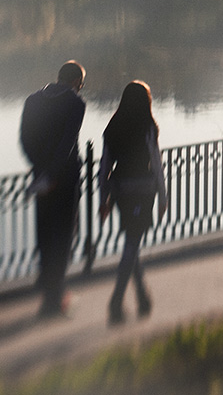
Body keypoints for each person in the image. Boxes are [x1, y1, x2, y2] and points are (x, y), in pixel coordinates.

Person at [19, 60, 86, 317]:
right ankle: (53, 302)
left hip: (40, 179)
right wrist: (55, 173)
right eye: (81, 84)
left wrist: (41, 170)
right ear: (76, 83)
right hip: (64, 178)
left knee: (45, 234)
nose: (80, 89)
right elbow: (68, 143)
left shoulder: (32, 100)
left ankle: (50, 290)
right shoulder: (75, 103)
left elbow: (25, 139)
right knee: (65, 235)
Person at [98, 80, 167, 325]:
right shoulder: (148, 127)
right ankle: (116, 301)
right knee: (132, 241)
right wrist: (163, 196)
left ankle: (141, 295)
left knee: (131, 239)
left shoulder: (112, 127)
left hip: (120, 192)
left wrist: (103, 199)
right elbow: (156, 164)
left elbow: (104, 167)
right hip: (142, 191)